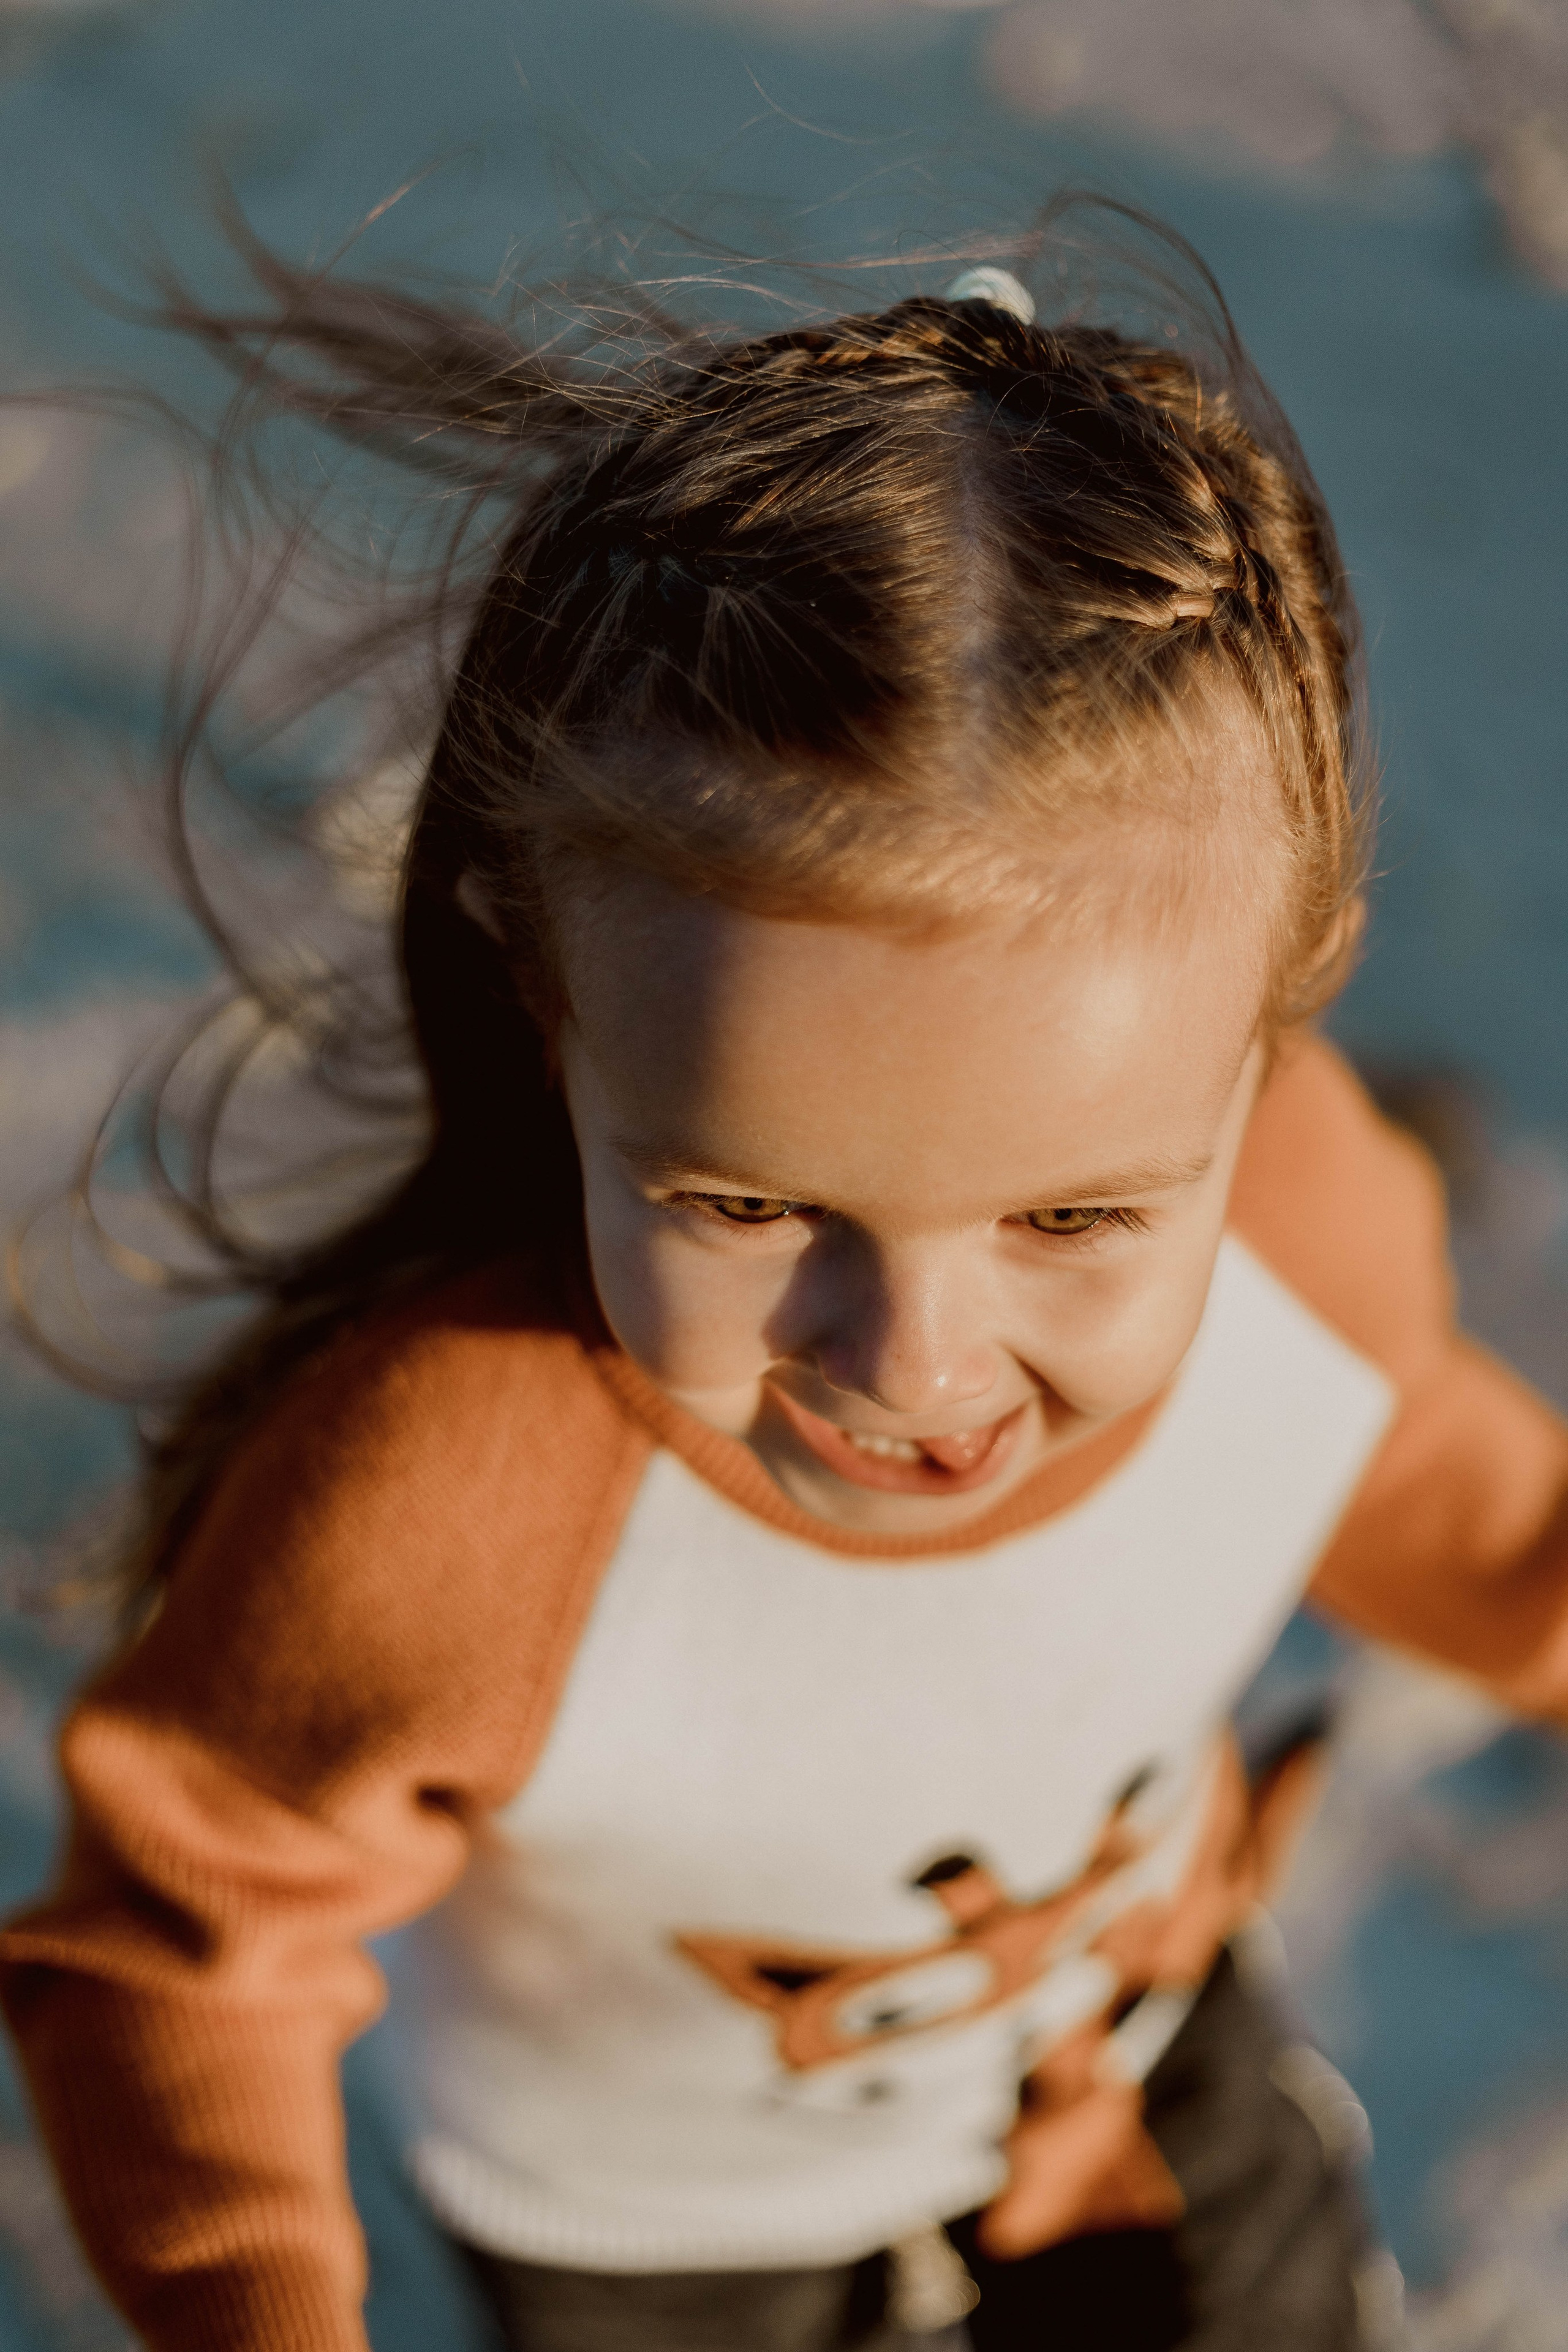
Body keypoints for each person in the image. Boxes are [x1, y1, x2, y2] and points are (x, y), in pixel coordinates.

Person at [4, 214, 1566, 2352]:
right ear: (549, 1001)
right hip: (668, 2247)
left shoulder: (1307, 1227)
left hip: (1138, 2051)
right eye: (747, 1205)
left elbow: (1468, 1513)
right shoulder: (448, 1503)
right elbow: (179, 1955)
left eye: (1075, 1222)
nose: (913, 1363)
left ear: (1282, 1011)